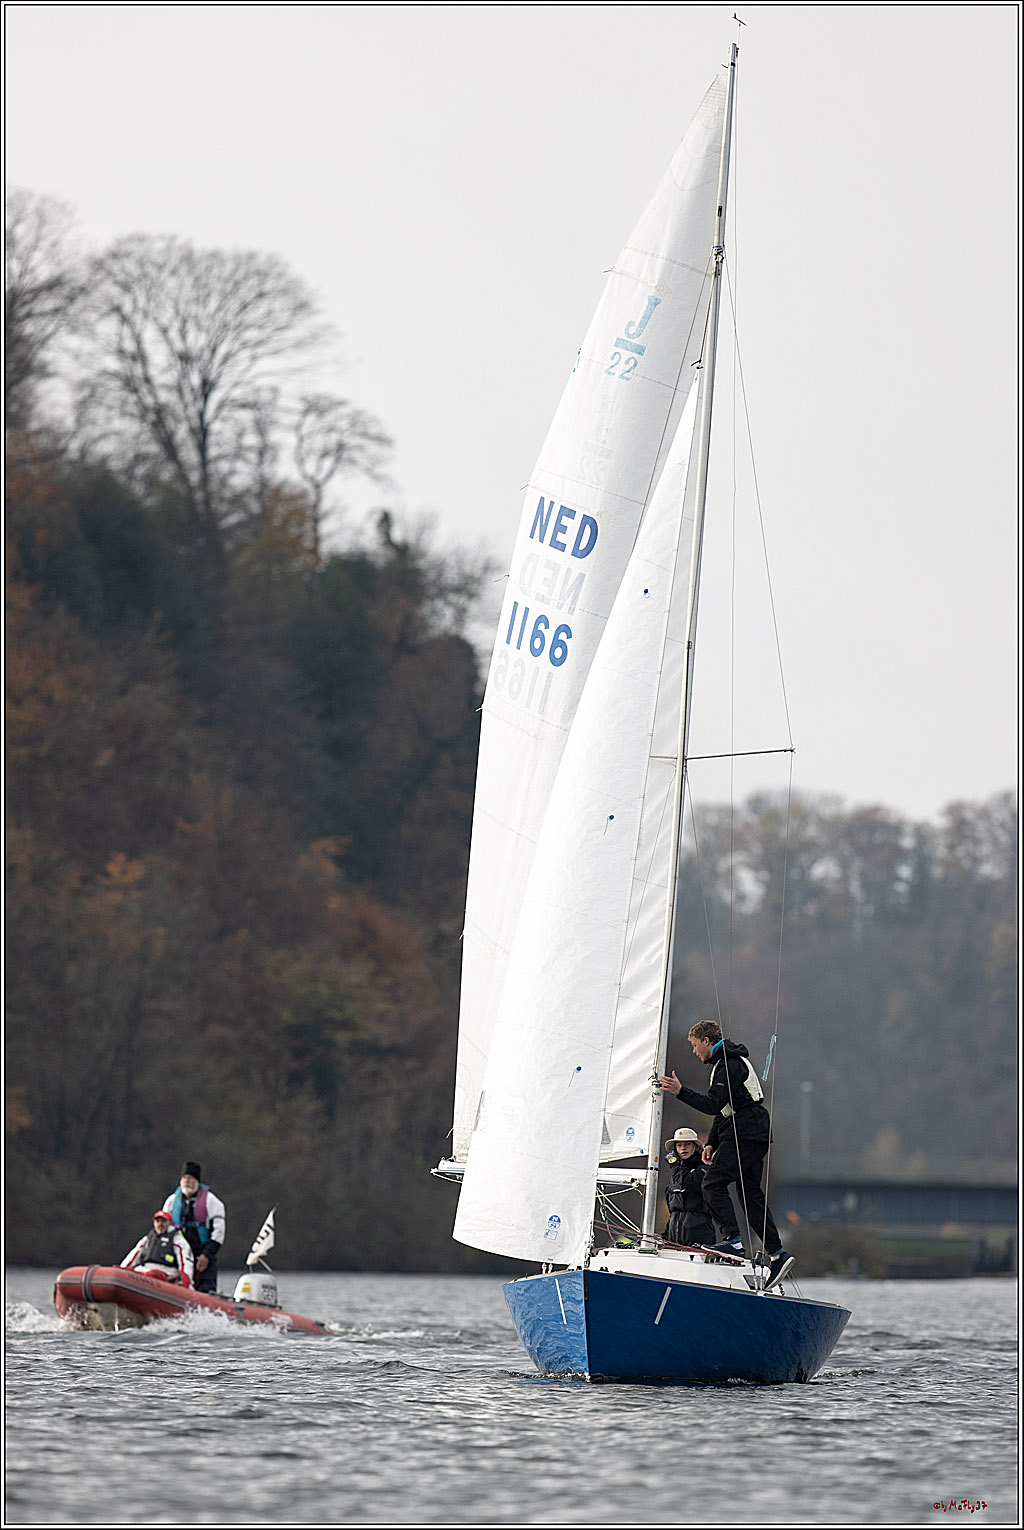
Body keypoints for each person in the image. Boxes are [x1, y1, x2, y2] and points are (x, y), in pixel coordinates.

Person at [659, 1019, 793, 1289]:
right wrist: (712, 1143)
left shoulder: (728, 1064)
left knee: (713, 1182)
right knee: (748, 1193)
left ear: (707, 1041)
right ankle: (778, 1254)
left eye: (696, 1046)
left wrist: (680, 1092)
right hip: (751, 1130)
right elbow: (725, 1109)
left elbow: (711, 1104)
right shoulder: (725, 1062)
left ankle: (733, 1240)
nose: (695, 1052)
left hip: (746, 1132)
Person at [163, 1161, 226, 1294]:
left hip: (202, 1255)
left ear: (197, 1181)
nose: (187, 1181)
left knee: (205, 1290)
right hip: (177, 1255)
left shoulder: (212, 1202)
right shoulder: (171, 1202)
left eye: (190, 1178)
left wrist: (206, 1255)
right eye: (184, 1178)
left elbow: (218, 1234)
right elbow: (163, 1228)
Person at [663, 1127, 714, 1249]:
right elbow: (673, 1211)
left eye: (687, 1144)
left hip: (699, 1238)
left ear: (696, 1147)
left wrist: (675, 1165)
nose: (683, 1148)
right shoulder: (676, 1173)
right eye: (679, 1145)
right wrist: (665, 1236)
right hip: (674, 1239)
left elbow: (690, 1182)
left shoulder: (704, 1169)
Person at [121, 1209, 194, 1285]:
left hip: (166, 1272)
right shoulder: (147, 1239)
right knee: (123, 1270)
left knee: (153, 1274)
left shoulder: (177, 1240)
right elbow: (133, 1256)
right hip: (144, 1270)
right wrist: (121, 1270)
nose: (160, 1224)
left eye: (163, 1221)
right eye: (157, 1221)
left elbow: (185, 1261)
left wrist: (186, 1278)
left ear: (170, 1223)